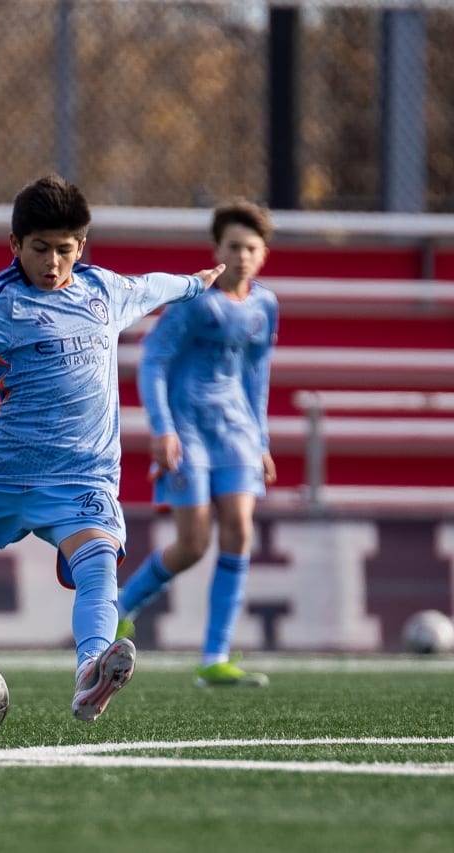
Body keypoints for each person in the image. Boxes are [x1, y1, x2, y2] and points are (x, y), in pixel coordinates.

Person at [0, 175, 225, 722]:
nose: (52, 262)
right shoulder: (0, 305)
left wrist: (194, 284)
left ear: (82, 245)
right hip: (0, 476)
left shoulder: (102, 291)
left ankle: (92, 669)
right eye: (39, 249)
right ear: (15, 246)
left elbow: (151, 287)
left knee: (99, 561)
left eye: (64, 249)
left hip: (82, 478)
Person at [115, 199, 278, 688]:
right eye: (234, 246)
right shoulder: (194, 303)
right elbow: (154, 360)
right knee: (193, 543)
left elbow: (256, 373)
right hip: (188, 432)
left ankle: (214, 656)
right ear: (218, 250)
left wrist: (262, 439)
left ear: (264, 253)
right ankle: (122, 607)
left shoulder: (265, 305)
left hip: (237, 433)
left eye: (251, 247)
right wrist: (162, 428)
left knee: (241, 531)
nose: (243, 255)